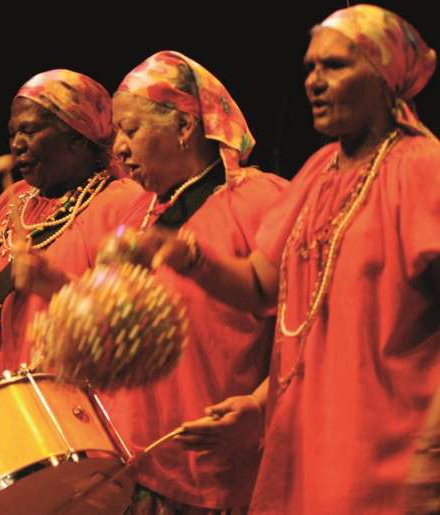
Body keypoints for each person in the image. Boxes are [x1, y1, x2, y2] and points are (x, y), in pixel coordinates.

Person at [130, 6, 438, 513]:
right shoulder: (319, 171)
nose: (315, 82)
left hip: (391, 452)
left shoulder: (424, 168)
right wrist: (183, 253)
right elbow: (258, 285)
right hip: (307, 439)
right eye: (310, 68)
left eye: (336, 66)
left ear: (386, 76)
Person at [95, 50, 287, 514]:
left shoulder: (260, 200)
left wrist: (261, 405)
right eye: (117, 133)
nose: (119, 148)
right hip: (129, 467)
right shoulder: (135, 214)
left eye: (131, 129)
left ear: (184, 127)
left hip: (214, 479)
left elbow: (309, 328)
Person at [0, 69, 146, 376]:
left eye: (30, 131)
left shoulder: (121, 203)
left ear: (79, 137)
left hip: (63, 399)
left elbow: (132, 320)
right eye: (13, 133)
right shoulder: (13, 199)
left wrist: (53, 282)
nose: (17, 145)